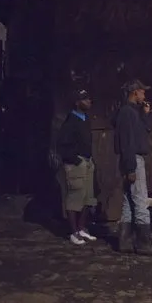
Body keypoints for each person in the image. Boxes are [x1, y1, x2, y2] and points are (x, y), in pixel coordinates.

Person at [113, 79, 152, 256]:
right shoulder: (127, 112)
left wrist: (146, 114)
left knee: (128, 200)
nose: (145, 95)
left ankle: (124, 242)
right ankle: (143, 243)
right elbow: (127, 142)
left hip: (132, 159)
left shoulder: (134, 112)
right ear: (135, 92)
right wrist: (131, 168)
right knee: (141, 201)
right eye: (143, 91)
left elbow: (145, 130)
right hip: (133, 159)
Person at [56, 89, 98, 245]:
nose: (89, 101)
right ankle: (73, 232)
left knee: (88, 198)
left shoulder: (85, 119)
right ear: (77, 102)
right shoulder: (71, 121)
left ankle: (81, 228)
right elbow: (61, 145)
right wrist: (75, 160)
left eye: (89, 99)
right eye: (85, 99)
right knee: (74, 198)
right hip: (76, 164)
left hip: (87, 162)